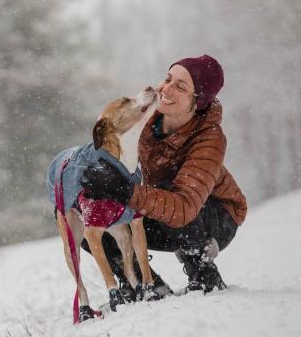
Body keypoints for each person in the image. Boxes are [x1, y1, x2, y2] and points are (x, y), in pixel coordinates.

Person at [81, 54, 247, 293]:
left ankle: (204, 274)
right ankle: (144, 285)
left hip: (215, 215)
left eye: (180, 86)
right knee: (95, 222)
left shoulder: (210, 137)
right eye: (168, 79)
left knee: (169, 194)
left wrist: (124, 190)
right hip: (164, 207)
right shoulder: (148, 119)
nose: (166, 88)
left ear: (198, 101)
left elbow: (184, 205)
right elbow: (113, 141)